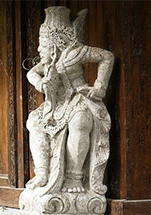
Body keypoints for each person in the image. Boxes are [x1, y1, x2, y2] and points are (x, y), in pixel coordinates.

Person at [24, 7, 114, 195]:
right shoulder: (48, 62)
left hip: (79, 100)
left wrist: (99, 87)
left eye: (43, 45)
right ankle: (42, 172)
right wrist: (40, 84)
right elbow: (32, 73)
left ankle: (74, 177)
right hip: (55, 105)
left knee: (81, 121)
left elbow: (107, 56)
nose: (39, 49)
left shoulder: (76, 53)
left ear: (56, 44)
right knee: (33, 121)